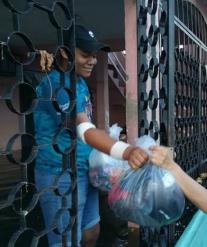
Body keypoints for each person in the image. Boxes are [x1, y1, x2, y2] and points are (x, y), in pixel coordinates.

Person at [34, 25, 148, 247]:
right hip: (59, 172)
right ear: (65, 53)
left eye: (94, 56)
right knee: (66, 239)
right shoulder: (55, 84)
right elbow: (83, 129)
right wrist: (126, 151)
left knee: (91, 231)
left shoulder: (80, 83)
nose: (93, 61)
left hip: (85, 169)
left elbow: (87, 127)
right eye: (85, 55)